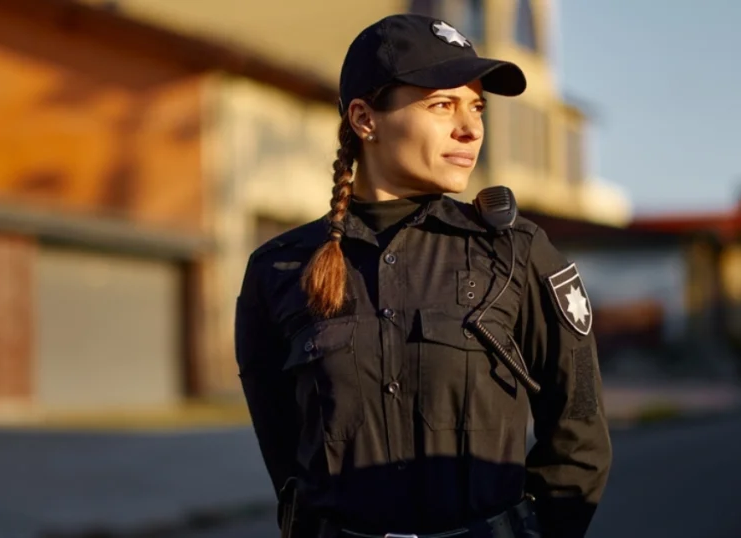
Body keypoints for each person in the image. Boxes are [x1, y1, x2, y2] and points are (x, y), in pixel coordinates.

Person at [235, 13, 612, 538]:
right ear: (366, 119)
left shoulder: (516, 254)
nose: (471, 127)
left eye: (476, 106)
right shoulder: (279, 269)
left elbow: (580, 431)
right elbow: (285, 452)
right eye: (442, 105)